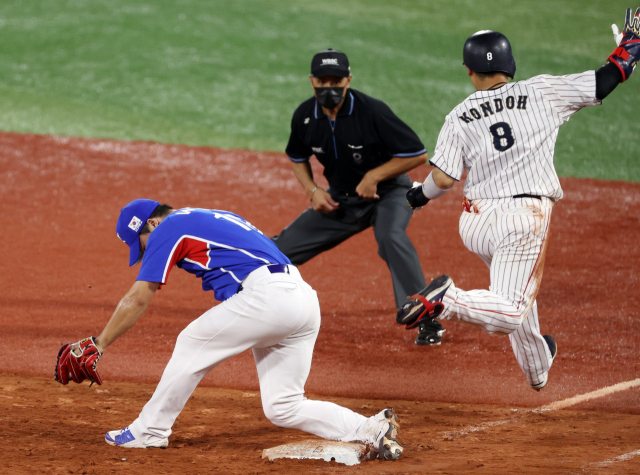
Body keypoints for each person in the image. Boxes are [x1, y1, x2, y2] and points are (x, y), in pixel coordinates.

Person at [398, 10, 639, 390]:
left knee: (519, 293)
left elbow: (443, 179)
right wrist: (631, 46)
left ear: (470, 72)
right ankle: (448, 299)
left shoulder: (459, 115)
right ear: (510, 65)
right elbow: (607, 78)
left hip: (474, 223)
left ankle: (537, 368)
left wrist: (417, 196)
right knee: (509, 310)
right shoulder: (542, 90)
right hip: (522, 219)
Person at [54, 199, 403, 460]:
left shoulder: (169, 227)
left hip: (269, 298)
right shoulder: (205, 216)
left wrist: (99, 344)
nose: (144, 251)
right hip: (301, 300)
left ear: (153, 223)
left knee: (191, 341)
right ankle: (368, 427)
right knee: (282, 406)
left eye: (141, 242)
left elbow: (139, 296)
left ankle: (149, 431)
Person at [272, 48, 446, 346]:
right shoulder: (305, 116)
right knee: (279, 250)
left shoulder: (371, 111)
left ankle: (426, 319)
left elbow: (417, 154)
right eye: (323, 81)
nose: (330, 88)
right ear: (312, 81)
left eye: (336, 81)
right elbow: (296, 156)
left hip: (388, 194)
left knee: (390, 237)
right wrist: (313, 191)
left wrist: (374, 176)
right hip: (341, 201)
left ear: (348, 80)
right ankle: (258, 308)